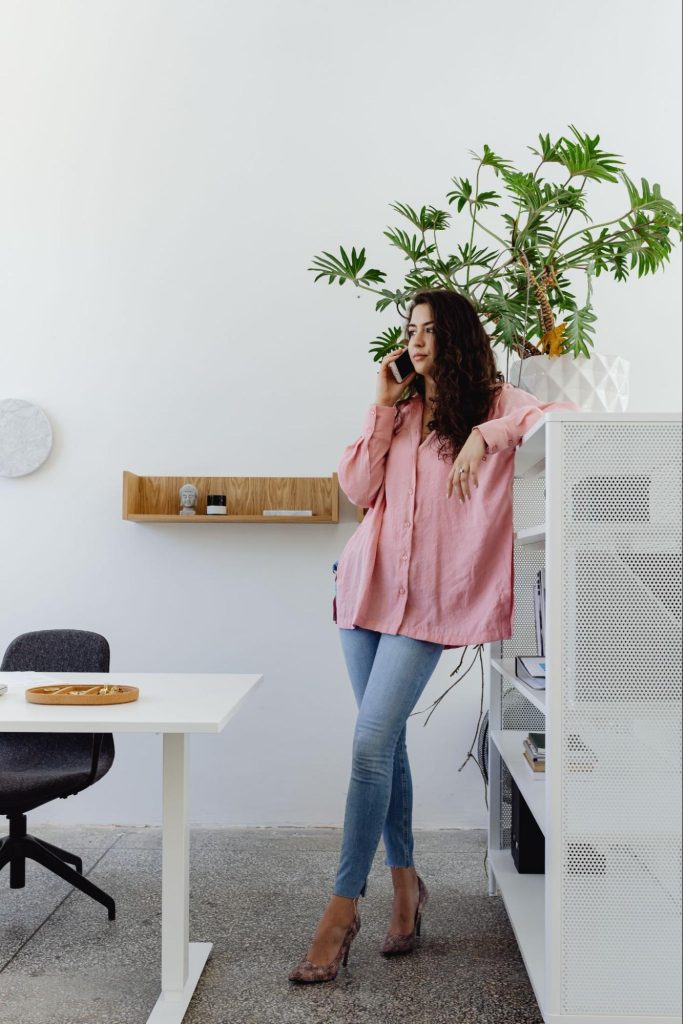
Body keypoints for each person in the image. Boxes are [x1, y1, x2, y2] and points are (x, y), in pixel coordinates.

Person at [288, 288, 579, 984]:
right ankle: (406, 887)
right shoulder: (403, 407)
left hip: (425, 605)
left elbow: (566, 418)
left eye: (427, 330)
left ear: (455, 335)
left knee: (367, 744)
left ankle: (339, 910)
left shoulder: (497, 402)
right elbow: (358, 487)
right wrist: (382, 405)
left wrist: (488, 434)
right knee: (383, 742)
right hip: (364, 587)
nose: (415, 342)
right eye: (408, 331)